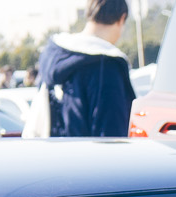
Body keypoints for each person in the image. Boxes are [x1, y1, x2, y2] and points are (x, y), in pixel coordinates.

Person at [35, 0, 135, 138]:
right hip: (88, 151)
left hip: (50, 149)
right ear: (122, 18)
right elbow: (112, 135)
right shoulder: (106, 66)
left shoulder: (53, 54)